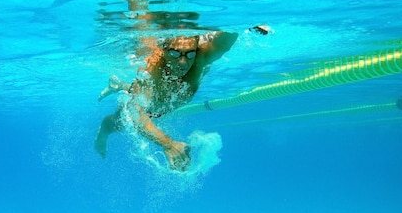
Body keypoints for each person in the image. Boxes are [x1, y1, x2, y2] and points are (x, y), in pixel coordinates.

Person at [95, 25, 271, 172]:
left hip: (162, 101)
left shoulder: (202, 56)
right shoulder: (151, 70)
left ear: (196, 48)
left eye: (189, 54)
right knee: (115, 124)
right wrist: (169, 144)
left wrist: (247, 24)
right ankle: (102, 134)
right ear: (164, 50)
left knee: (157, 92)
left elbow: (227, 35)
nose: (183, 62)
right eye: (175, 54)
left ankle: (118, 85)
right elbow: (136, 114)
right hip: (149, 107)